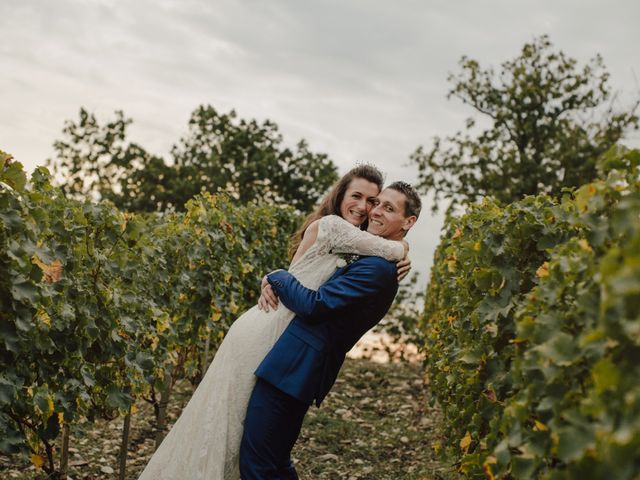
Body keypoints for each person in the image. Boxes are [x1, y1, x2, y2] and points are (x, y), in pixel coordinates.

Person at [138, 165, 411, 480]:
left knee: (248, 438)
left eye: (373, 201)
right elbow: (387, 248)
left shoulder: (356, 244)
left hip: (282, 338)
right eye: (357, 196)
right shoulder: (333, 225)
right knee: (235, 430)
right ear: (340, 196)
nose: (365, 207)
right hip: (265, 332)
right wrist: (404, 248)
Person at [239, 181, 421, 479]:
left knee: (257, 463)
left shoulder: (376, 270)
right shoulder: (376, 257)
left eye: (389, 208)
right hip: (296, 369)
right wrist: (402, 248)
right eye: (377, 203)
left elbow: (314, 305)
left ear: (408, 221)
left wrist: (277, 276)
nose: (375, 211)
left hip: (293, 369)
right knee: (275, 461)